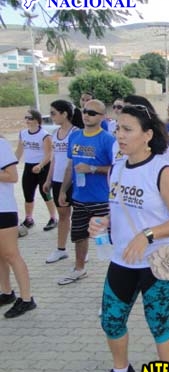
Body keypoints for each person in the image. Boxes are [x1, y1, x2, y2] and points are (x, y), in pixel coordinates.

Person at [88, 104, 169, 372]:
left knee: (158, 323)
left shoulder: (163, 171)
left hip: (157, 263)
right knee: (111, 320)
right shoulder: (118, 166)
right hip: (122, 260)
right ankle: (122, 371)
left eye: (127, 129)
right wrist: (103, 222)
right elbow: (119, 208)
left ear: (147, 135)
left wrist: (147, 234)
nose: (119, 135)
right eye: (117, 128)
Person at [57, 100, 115, 285]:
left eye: (92, 113)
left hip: (101, 199)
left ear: (102, 117)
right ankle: (79, 268)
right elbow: (70, 166)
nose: (87, 115)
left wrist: (92, 168)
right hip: (79, 197)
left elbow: (116, 169)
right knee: (79, 235)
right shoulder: (75, 136)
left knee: (106, 239)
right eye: (85, 111)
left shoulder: (108, 140)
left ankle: (115, 276)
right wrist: (63, 190)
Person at [0, 135, 36, 318]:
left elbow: (12, 176)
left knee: (11, 254)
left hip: (3, 208)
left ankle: (27, 299)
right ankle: (6, 292)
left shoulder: (1, 145)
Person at [43, 100, 78, 264]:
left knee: (78, 217)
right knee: (63, 215)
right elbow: (55, 158)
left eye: (53, 113)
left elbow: (74, 160)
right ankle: (61, 249)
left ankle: (81, 250)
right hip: (57, 180)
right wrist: (48, 179)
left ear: (64, 114)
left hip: (73, 181)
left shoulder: (76, 133)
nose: (51, 116)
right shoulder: (55, 133)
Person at [15, 109, 58, 237]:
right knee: (28, 193)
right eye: (26, 118)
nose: (27, 120)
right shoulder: (23, 133)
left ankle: (53, 218)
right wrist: (11, 163)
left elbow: (49, 154)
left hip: (43, 167)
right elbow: (19, 151)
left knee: (45, 193)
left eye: (30, 118)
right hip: (29, 166)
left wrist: (40, 165)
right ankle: (29, 218)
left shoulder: (44, 135)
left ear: (37, 120)